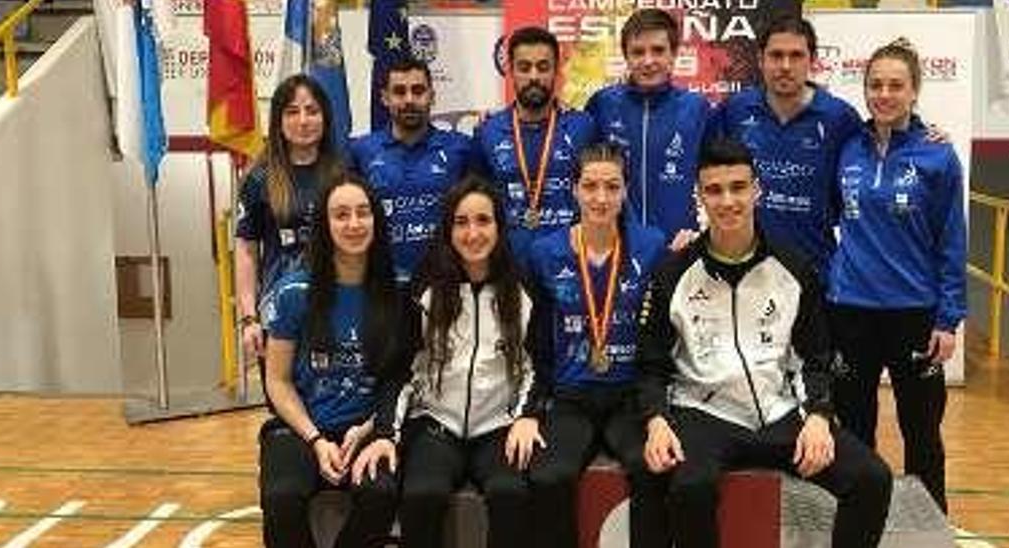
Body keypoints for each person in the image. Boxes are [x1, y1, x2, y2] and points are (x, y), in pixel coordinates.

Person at [637, 138, 893, 548]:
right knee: (689, 487)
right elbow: (651, 365)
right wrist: (656, 420)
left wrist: (820, 415)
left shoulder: (792, 268)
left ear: (757, 190)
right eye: (715, 190)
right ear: (699, 196)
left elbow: (817, 356)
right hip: (705, 413)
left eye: (738, 187)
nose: (727, 201)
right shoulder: (673, 273)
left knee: (872, 479)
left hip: (780, 411)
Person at [352, 175, 541, 548]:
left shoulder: (521, 289)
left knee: (510, 492)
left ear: (500, 227)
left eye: (483, 221)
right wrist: (385, 434)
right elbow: (399, 371)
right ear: (448, 229)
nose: (473, 233)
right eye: (461, 222)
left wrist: (527, 415)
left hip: (498, 425)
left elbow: (538, 366)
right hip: (436, 425)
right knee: (422, 493)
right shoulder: (426, 288)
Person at [827, 38, 967, 513]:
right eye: (875, 85)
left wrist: (948, 319)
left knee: (922, 431)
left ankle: (931, 526)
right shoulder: (848, 149)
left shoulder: (938, 157)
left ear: (914, 92)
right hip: (851, 312)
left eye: (895, 86)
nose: (884, 94)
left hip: (914, 314)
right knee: (852, 430)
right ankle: (856, 523)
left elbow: (952, 240)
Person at [526, 142, 671, 548]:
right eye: (590, 186)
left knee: (652, 468)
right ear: (573, 189)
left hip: (629, 396)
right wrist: (531, 410)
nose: (601, 198)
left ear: (626, 190)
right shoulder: (544, 253)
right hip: (570, 397)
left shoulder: (651, 246)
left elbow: (662, 329)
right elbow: (535, 341)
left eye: (612, 186)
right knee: (548, 476)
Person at [258, 174, 406, 547]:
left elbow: (404, 379)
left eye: (362, 213)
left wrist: (374, 427)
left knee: (381, 493)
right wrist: (315, 439)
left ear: (376, 220)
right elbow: (277, 380)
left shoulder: (400, 292)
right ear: (324, 225)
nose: (354, 224)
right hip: (303, 428)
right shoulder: (294, 292)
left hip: (368, 431)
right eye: (341, 215)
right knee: (282, 496)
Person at [711, 16, 862, 275]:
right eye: (776, 55)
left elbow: (876, 161)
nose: (785, 66)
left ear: (812, 61)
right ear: (760, 59)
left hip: (813, 272)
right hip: (745, 270)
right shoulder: (735, 109)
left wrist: (921, 132)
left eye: (796, 56)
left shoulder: (840, 118)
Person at [236, 74, 342, 371]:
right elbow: (245, 253)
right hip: (279, 311)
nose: (303, 120)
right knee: (282, 402)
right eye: (292, 112)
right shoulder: (259, 178)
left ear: (326, 117)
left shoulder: (344, 172)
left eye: (312, 110)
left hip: (334, 308)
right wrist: (249, 319)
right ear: (278, 121)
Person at [585, 8, 713, 251]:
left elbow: (716, 178)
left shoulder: (696, 108)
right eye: (637, 52)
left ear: (674, 54)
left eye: (658, 50)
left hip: (680, 247)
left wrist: (702, 233)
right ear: (625, 56)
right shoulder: (602, 104)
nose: (648, 61)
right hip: (616, 247)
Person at [472, 25, 597, 255]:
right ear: (510, 71)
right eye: (524, 67)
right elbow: (477, 205)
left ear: (556, 70)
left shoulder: (584, 127)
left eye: (543, 67)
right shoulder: (488, 131)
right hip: (509, 268)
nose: (534, 77)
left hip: (569, 263)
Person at [347, 56, 473, 282]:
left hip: (446, 283)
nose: (409, 100)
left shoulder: (461, 148)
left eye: (418, 91)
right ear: (385, 98)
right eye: (399, 91)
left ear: (431, 96)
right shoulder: (360, 151)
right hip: (383, 285)